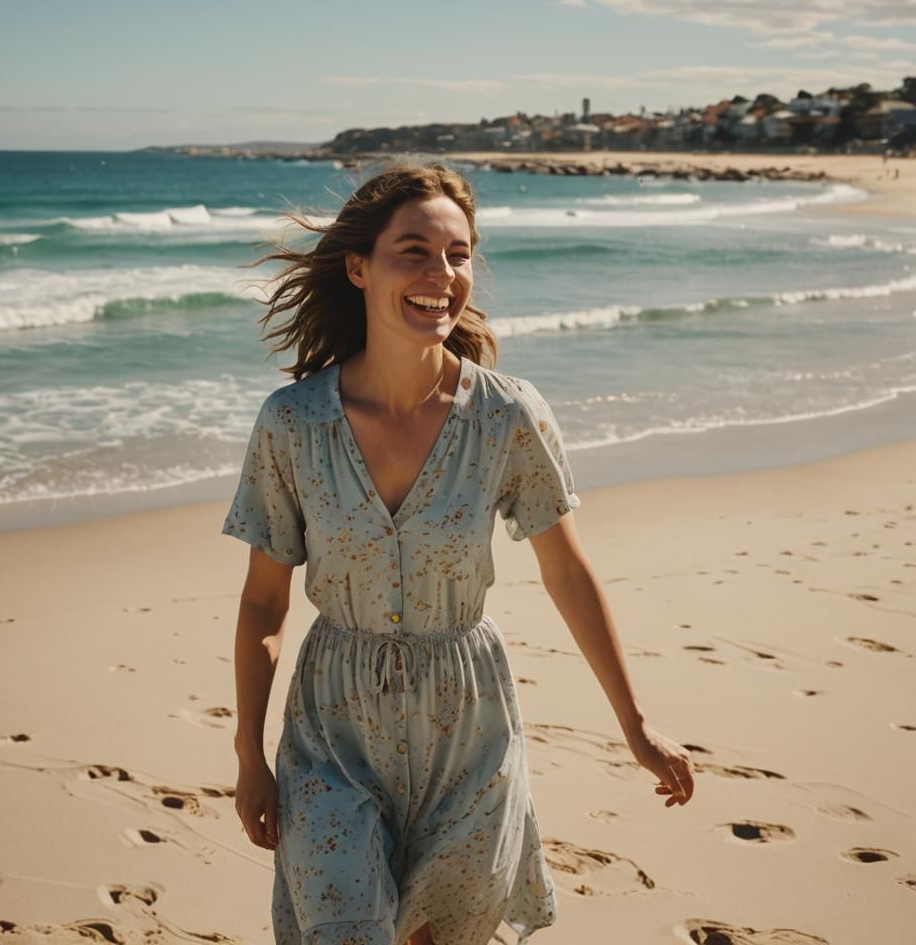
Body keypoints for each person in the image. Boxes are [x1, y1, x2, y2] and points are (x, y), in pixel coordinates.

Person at [222, 162, 694, 945]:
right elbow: (264, 603)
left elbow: (567, 572)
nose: (441, 274)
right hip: (334, 729)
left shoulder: (508, 416)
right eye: (414, 250)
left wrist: (635, 724)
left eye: (458, 254)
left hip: (470, 726)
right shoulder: (292, 424)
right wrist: (248, 757)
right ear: (358, 266)